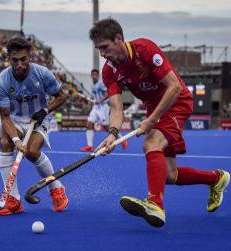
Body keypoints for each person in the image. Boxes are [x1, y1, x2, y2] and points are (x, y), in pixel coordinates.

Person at [89, 18, 230, 228]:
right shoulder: (109, 71)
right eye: (98, 49)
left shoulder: (144, 49)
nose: (102, 54)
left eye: (105, 47)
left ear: (119, 39)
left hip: (177, 101)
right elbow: (116, 108)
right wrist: (112, 134)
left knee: (151, 144)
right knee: (169, 175)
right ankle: (216, 178)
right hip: (154, 107)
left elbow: (173, 86)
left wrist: (152, 119)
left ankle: (155, 203)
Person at [0, 36, 68, 215]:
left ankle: (56, 188)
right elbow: (5, 117)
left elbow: (61, 97)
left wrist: (44, 110)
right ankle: (13, 200)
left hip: (40, 118)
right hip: (16, 119)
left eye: (23, 59)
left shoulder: (42, 73)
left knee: (32, 152)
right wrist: (15, 139)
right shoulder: (1, 81)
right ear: (8, 59)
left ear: (30, 57)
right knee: (5, 142)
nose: (19, 64)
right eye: (15, 60)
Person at [81, 69, 128, 152]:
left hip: (103, 107)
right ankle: (89, 145)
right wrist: (89, 99)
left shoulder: (100, 84)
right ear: (91, 76)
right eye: (93, 74)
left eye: (96, 74)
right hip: (96, 108)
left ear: (98, 76)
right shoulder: (93, 86)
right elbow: (96, 97)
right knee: (89, 124)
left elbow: (109, 92)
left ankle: (122, 139)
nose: (94, 76)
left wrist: (101, 100)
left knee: (106, 127)